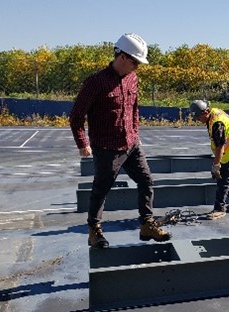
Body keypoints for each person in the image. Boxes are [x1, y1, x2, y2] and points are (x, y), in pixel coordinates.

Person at [69, 33, 171, 248]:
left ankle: (146, 224)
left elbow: (134, 109)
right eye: (135, 62)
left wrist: (136, 134)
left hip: (132, 144)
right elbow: (76, 116)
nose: (137, 67)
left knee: (146, 181)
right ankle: (94, 231)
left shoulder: (133, 79)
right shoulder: (96, 83)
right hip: (107, 147)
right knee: (101, 189)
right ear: (122, 56)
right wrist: (82, 143)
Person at [189, 100, 229, 220]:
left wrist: (216, 165)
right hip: (228, 149)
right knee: (223, 177)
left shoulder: (217, 123)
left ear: (205, 112)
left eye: (199, 117)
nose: (198, 120)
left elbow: (220, 146)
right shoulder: (212, 114)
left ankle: (219, 209)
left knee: (223, 178)